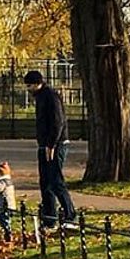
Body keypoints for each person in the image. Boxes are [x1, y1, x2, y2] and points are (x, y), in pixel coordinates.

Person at [24, 69, 76, 231]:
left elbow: (57, 122)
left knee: (56, 181)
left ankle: (70, 216)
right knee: (45, 182)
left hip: (55, 144)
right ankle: (49, 218)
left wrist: (51, 145)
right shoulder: (41, 97)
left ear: (38, 83)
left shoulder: (51, 96)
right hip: (44, 144)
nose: (28, 89)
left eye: (30, 86)